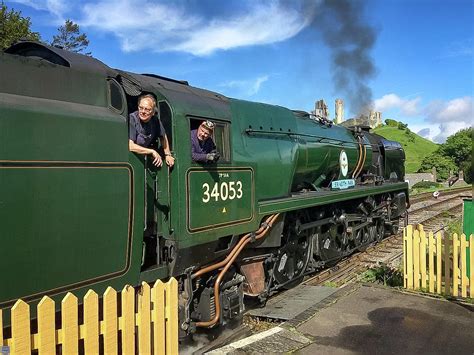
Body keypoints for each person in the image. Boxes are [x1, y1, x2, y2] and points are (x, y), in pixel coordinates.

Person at [129, 94, 174, 167]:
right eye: (141, 108)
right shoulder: (132, 119)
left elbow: (163, 136)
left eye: (147, 109)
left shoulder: (156, 121)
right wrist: (152, 151)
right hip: (131, 159)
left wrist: (167, 154)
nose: (143, 111)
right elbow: (130, 146)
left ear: (153, 112)